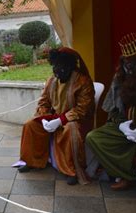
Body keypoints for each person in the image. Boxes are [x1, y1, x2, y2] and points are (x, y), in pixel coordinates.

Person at [17, 47, 95, 185]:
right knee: (31, 125)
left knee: (70, 130)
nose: (58, 70)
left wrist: (61, 120)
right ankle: (32, 161)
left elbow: (83, 109)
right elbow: (44, 102)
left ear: (71, 65)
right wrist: (45, 117)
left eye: (62, 66)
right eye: (56, 66)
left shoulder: (83, 81)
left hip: (75, 120)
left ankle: (71, 170)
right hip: (53, 117)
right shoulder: (52, 80)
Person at [86, 33, 136, 200]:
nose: (128, 65)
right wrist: (122, 125)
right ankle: (127, 175)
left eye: (132, 62)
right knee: (94, 137)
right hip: (127, 125)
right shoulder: (120, 76)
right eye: (125, 61)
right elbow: (113, 108)